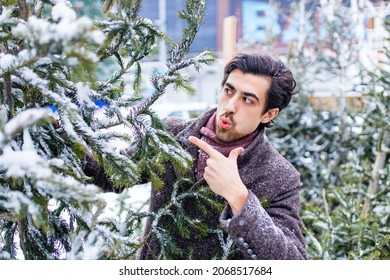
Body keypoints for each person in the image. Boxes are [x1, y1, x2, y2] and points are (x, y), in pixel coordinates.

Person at [84, 52, 308, 260]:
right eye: (229, 91)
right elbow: (110, 174)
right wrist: (61, 135)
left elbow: (292, 261)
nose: (230, 106)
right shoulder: (171, 134)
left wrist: (240, 198)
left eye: (247, 100)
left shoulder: (279, 176)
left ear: (269, 114)